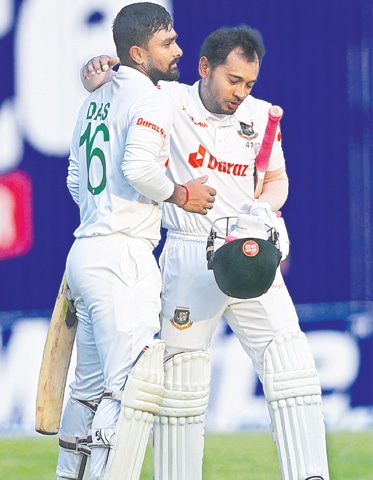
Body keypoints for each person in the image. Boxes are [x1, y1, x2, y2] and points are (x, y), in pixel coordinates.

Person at [82, 24, 330, 480]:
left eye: (249, 83)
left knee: (291, 366)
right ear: (204, 68)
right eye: (232, 80)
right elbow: (115, 84)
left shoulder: (260, 116)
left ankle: (310, 474)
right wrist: (94, 74)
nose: (240, 92)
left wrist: (262, 207)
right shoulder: (167, 101)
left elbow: (276, 180)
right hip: (191, 253)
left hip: (252, 250)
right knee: (181, 384)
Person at [57, 3, 216, 480]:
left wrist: (103, 210)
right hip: (121, 256)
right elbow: (139, 169)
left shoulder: (95, 98)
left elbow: (73, 181)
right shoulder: (149, 98)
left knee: (87, 389)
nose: (179, 49)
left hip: (84, 252)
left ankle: (70, 476)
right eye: (167, 42)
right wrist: (182, 194)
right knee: (129, 389)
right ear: (137, 52)